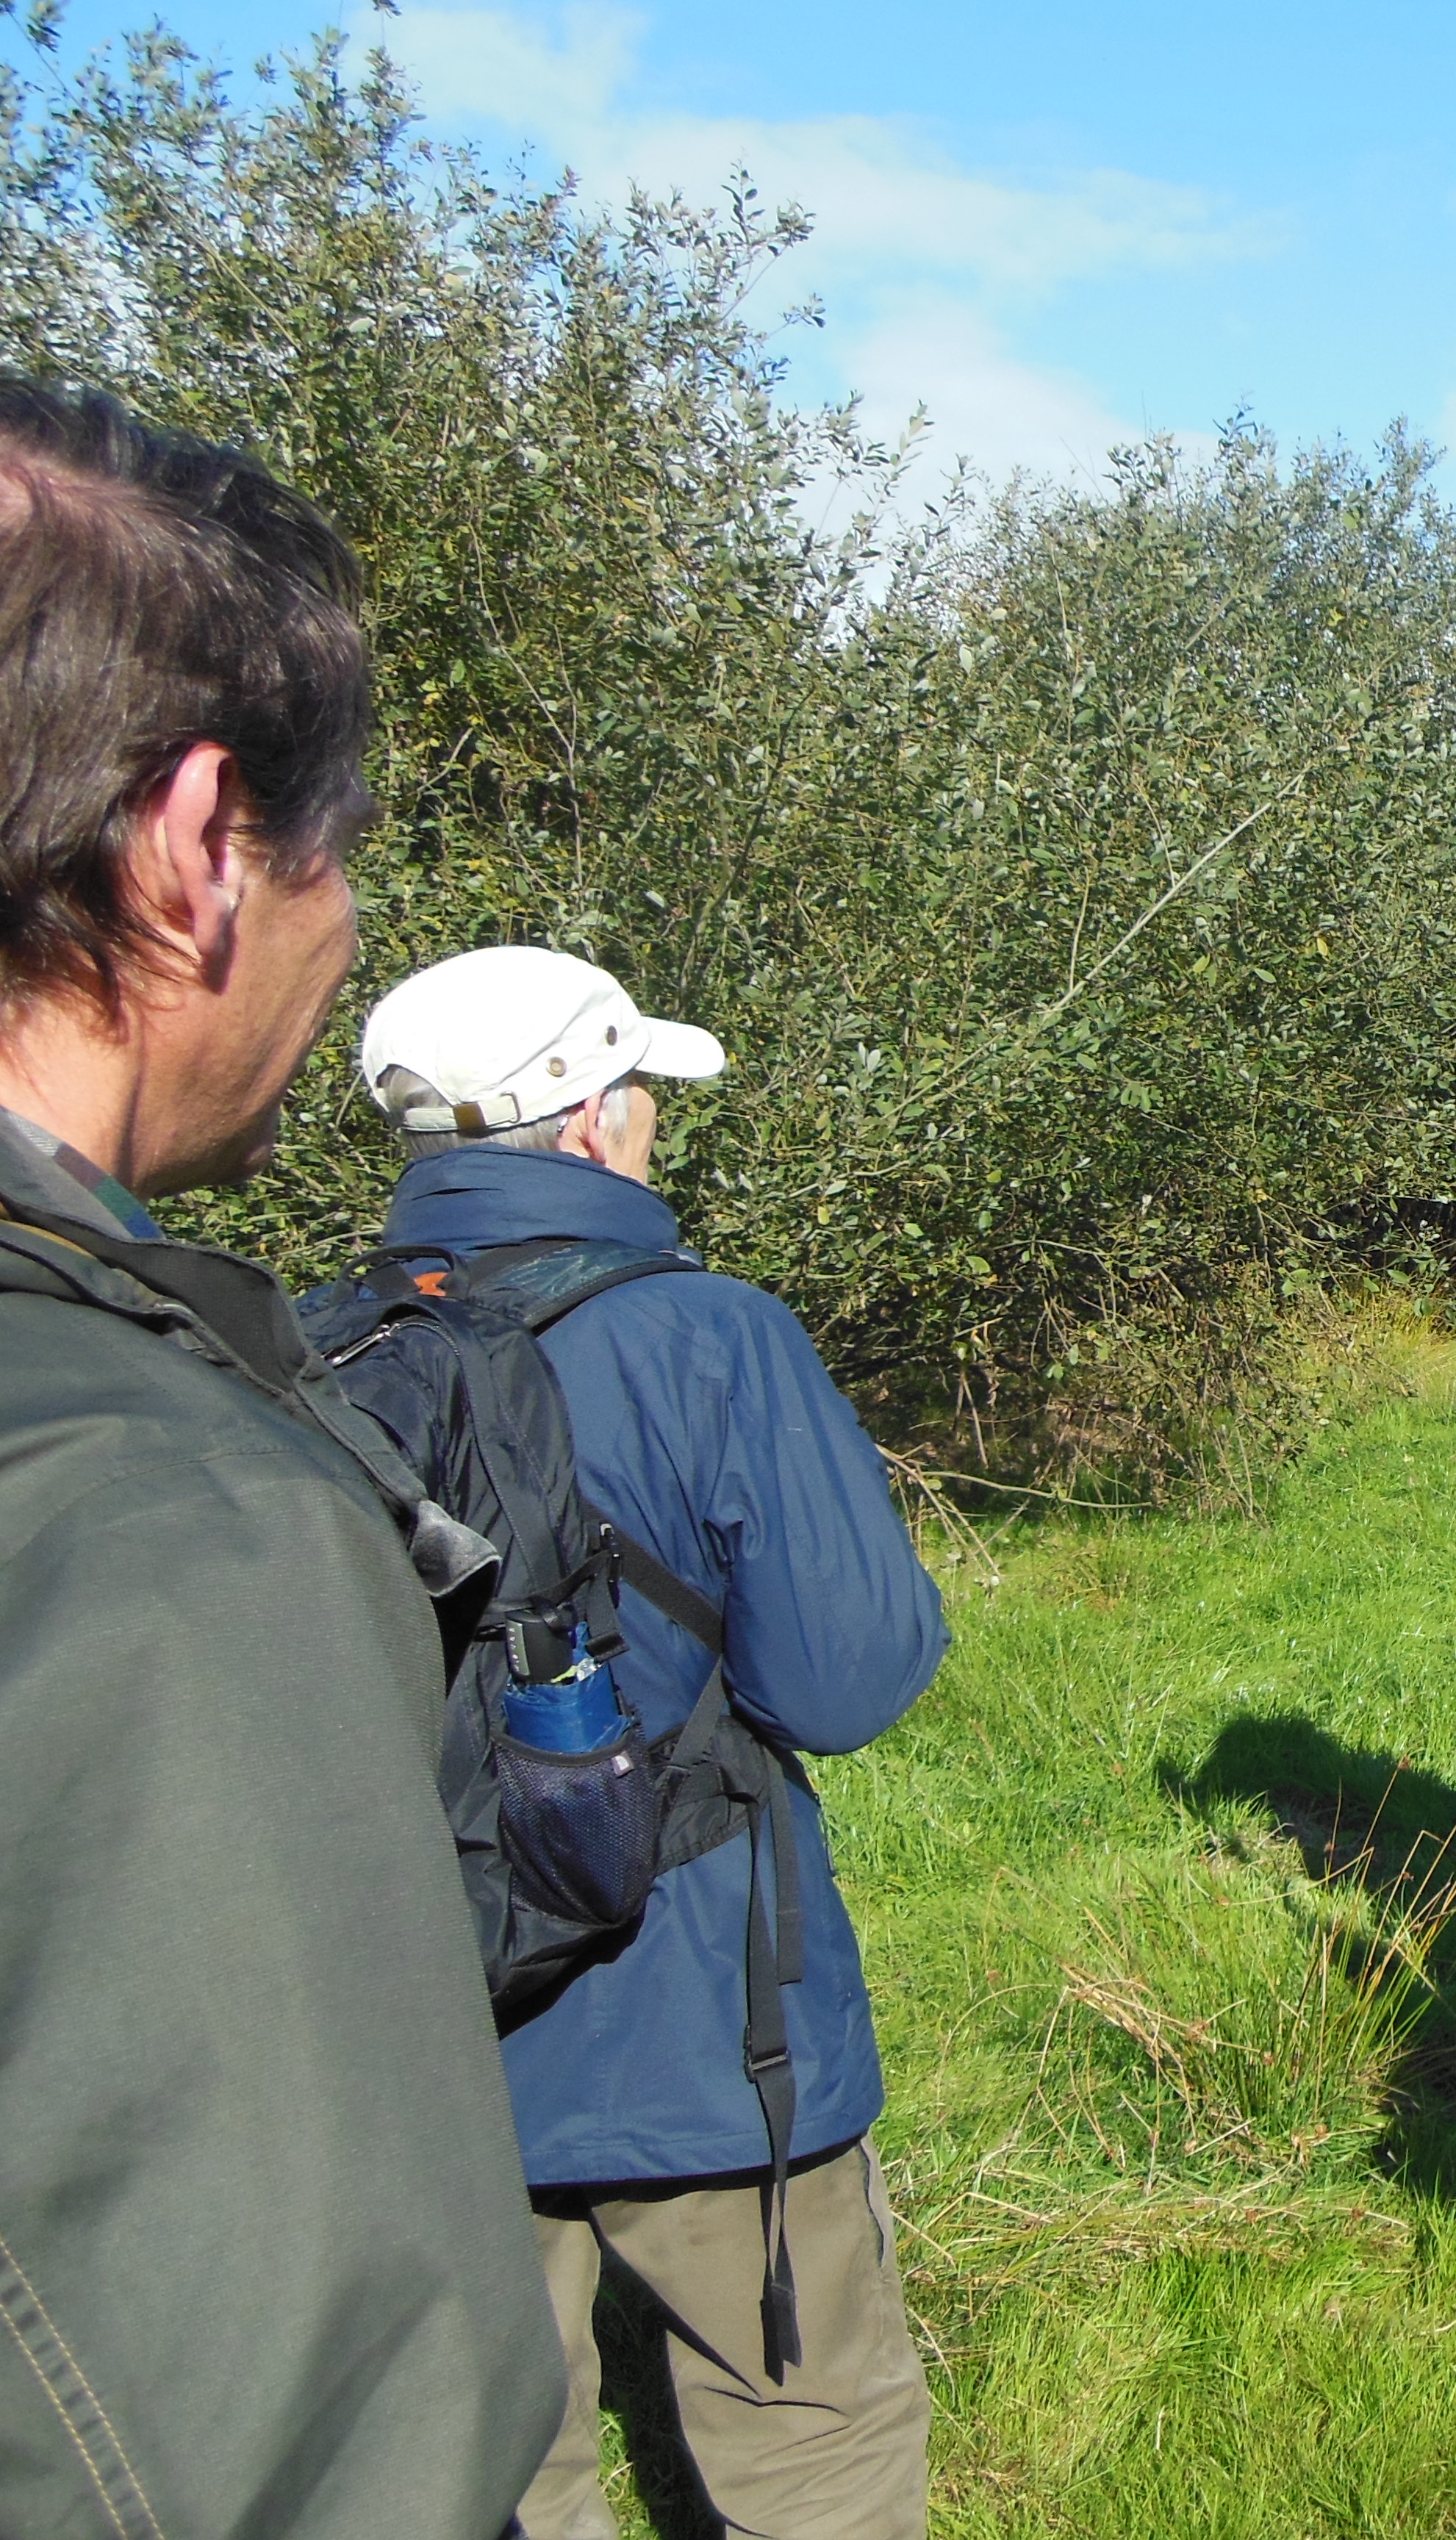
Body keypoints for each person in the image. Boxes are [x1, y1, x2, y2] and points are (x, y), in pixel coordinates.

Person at [0, 380, 567, 2533]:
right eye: (341, 852)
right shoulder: (154, 1527)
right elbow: (299, 2438)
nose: (342, 928)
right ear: (195, 842)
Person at [358, 944, 951, 2540]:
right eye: (641, 1102)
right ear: (584, 1124)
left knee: (503, 2470)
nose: (650, 1133)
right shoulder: (714, 1335)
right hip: (701, 2013)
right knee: (809, 2441)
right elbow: (850, 1681)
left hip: (421, 2018)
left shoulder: (308, 1348)